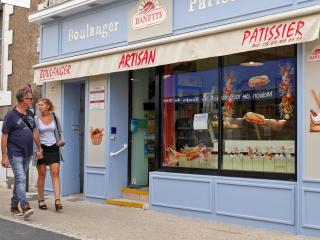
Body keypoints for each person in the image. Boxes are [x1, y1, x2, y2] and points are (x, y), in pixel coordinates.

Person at [1, 87, 42, 219]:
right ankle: (24, 206)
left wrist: (39, 148)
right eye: (29, 98)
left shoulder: (30, 114)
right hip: (15, 153)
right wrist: (4, 156)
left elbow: (34, 132)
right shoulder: (10, 116)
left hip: (28, 152)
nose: (32, 100)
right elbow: (4, 136)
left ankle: (14, 205)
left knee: (20, 179)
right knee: (21, 178)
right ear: (22, 100)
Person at [35, 98, 64, 212]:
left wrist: (61, 141)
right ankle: (41, 199)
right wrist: (37, 150)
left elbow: (60, 132)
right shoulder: (36, 119)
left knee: (55, 173)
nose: (39, 107)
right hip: (41, 149)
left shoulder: (55, 118)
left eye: (41, 105)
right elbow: (34, 135)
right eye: (39, 105)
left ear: (48, 106)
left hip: (54, 148)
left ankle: (57, 200)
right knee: (42, 174)